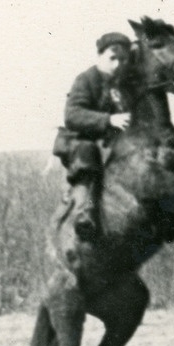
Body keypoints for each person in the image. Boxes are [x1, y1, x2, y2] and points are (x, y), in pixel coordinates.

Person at [53, 32, 132, 241]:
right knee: (88, 153)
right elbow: (72, 115)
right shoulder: (86, 80)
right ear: (100, 57)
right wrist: (108, 120)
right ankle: (84, 214)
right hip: (80, 141)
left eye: (123, 60)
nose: (118, 64)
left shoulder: (124, 87)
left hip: (111, 143)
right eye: (112, 58)